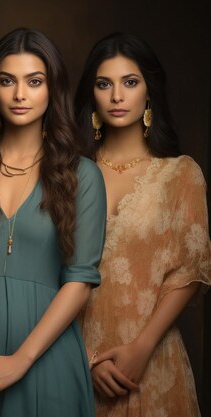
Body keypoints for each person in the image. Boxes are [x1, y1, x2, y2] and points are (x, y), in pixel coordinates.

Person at [74, 32, 211, 417]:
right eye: (105, 84)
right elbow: (49, 273)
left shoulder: (180, 174)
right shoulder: (67, 175)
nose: (117, 96)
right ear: (93, 95)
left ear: (149, 92)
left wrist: (141, 348)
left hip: (152, 361)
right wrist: (87, 359)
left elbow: (189, 273)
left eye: (130, 82)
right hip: (75, 357)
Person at [0, 28, 106, 416]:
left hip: (47, 355)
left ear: (53, 89)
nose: (20, 95)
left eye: (34, 82)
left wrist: (21, 360)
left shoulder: (82, 175)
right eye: (7, 81)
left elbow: (80, 281)